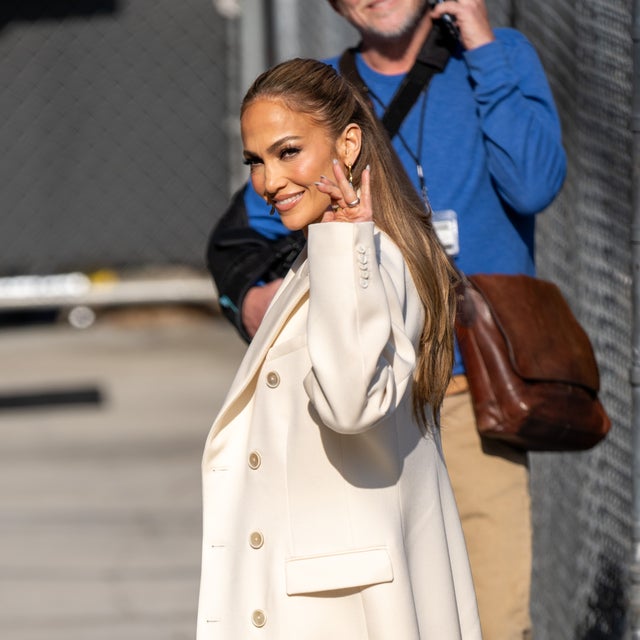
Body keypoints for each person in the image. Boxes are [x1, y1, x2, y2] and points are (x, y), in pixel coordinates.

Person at [206, 1, 567, 638]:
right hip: (365, 374)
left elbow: (533, 182)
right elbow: (244, 233)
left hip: (466, 385)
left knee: (491, 611)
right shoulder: (319, 96)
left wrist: (480, 40)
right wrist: (259, 304)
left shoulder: (492, 60)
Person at [197, 57, 482, 639]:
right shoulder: (333, 257)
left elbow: (349, 405)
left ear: (348, 145)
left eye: (287, 152)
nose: (268, 181)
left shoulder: (370, 260)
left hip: (345, 611)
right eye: (255, 160)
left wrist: (343, 243)